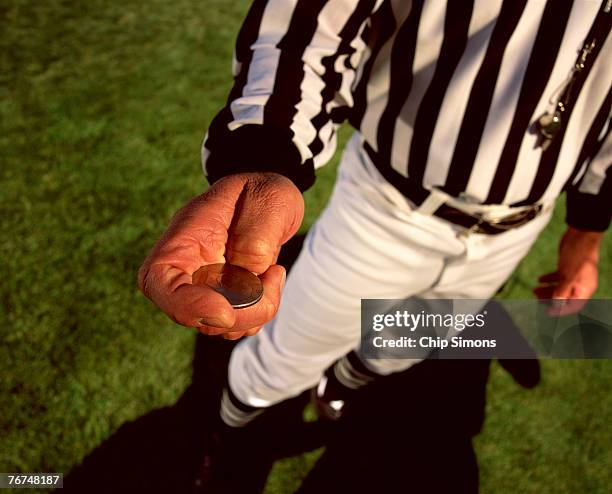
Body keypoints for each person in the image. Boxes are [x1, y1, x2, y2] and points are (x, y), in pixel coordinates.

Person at [138, 0, 611, 489]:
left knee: (403, 344)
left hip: (519, 225)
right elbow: (311, 19)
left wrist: (586, 233)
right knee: (283, 357)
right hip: (386, 206)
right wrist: (263, 156)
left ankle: (336, 392)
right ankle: (231, 447)